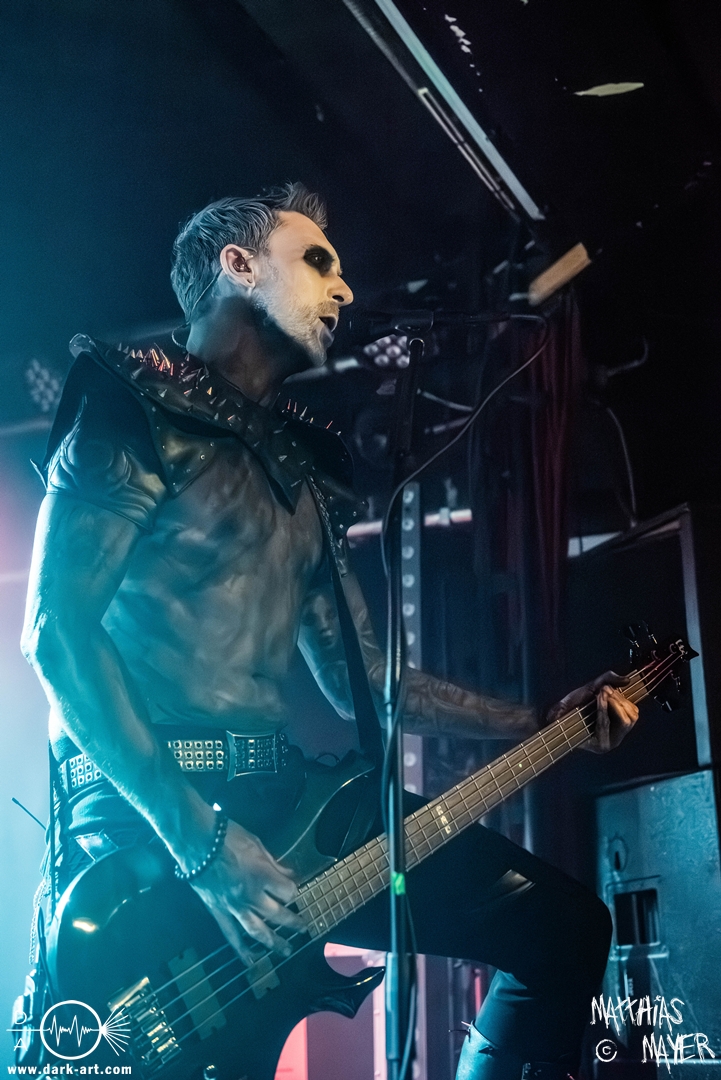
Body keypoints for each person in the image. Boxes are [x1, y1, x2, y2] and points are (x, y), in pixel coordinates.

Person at [20, 183, 638, 1079]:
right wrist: (200, 842)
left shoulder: (303, 470)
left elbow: (367, 680)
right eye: (317, 262)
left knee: (563, 926)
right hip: (149, 818)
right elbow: (55, 633)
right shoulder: (125, 410)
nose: (344, 289)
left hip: (289, 806)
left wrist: (540, 719)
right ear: (237, 265)